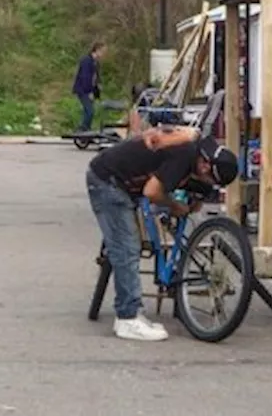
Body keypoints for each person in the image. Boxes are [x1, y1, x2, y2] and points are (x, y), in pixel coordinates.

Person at [86, 125, 239, 341]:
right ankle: (127, 318)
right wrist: (174, 206)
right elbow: (152, 192)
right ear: (205, 166)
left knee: (135, 236)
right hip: (107, 181)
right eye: (211, 181)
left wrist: (194, 199)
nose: (209, 185)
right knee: (127, 247)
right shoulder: (183, 157)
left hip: (127, 182)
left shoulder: (198, 148)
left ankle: (135, 309)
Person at [73, 42, 106, 132]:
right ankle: (82, 129)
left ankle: (86, 129)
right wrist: (89, 92)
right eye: (102, 52)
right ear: (97, 50)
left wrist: (98, 86)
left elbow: (96, 77)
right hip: (83, 90)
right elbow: (85, 77)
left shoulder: (96, 63)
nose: (103, 54)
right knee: (89, 111)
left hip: (90, 90)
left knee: (89, 111)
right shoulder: (86, 61)